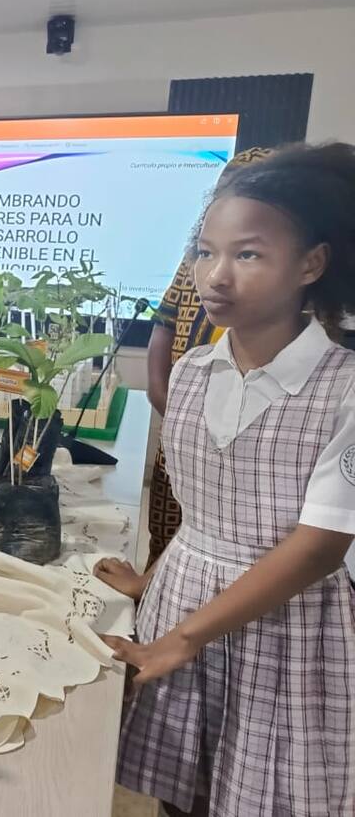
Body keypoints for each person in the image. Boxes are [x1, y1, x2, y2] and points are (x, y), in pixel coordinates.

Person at [101, 142, 355, 817]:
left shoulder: (344, 388)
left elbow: (319, 547)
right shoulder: (190, 374)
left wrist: (180, 637)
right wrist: (156, 575)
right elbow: (209, 506)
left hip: (283, 630)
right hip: (182, 601)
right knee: (182, 795)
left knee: (261, 792)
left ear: (312, 264)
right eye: (203, 250)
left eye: (247, 254)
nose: (215, 275)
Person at [130, 147, 274, 577]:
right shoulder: (196, 259)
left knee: (227, 551)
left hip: (245, 460)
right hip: (177, 430)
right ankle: (153, 595)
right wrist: (167, 399)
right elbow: (164, 324)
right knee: (168, 535)